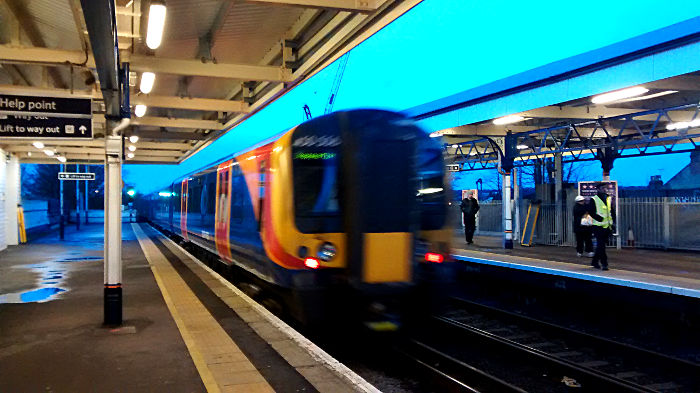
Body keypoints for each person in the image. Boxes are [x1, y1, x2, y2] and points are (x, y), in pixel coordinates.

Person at [589, 184, 616, 270]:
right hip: (598, 226)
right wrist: (599, 219)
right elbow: (591, 212)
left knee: (601, 245)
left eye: (606, 188)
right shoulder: (594, 199)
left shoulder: (608, 198)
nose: (605, 189)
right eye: (603, 188)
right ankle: (604, 264)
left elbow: (611, 210)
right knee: (601, 246)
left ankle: (594, 261)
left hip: (607, 226)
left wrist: (613, 222)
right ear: (598, 189)